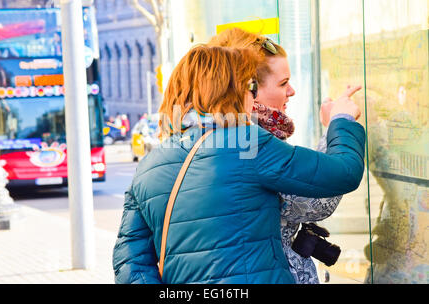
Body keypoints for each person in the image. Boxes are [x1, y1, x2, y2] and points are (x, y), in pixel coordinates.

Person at [112, 45, 365, 284]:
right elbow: (344, 172)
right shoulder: (247, 143)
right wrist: (341, 119)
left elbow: (130, 263)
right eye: (250, 87)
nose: (252, 96)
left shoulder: (150, 164)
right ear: (230, 90)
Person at [207, 27, 354, 283]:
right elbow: (315, 201)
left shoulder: (221, 131)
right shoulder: (250, 142)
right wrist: (337, 125)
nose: (292, 91)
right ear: (249, 89)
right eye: (283, 83)